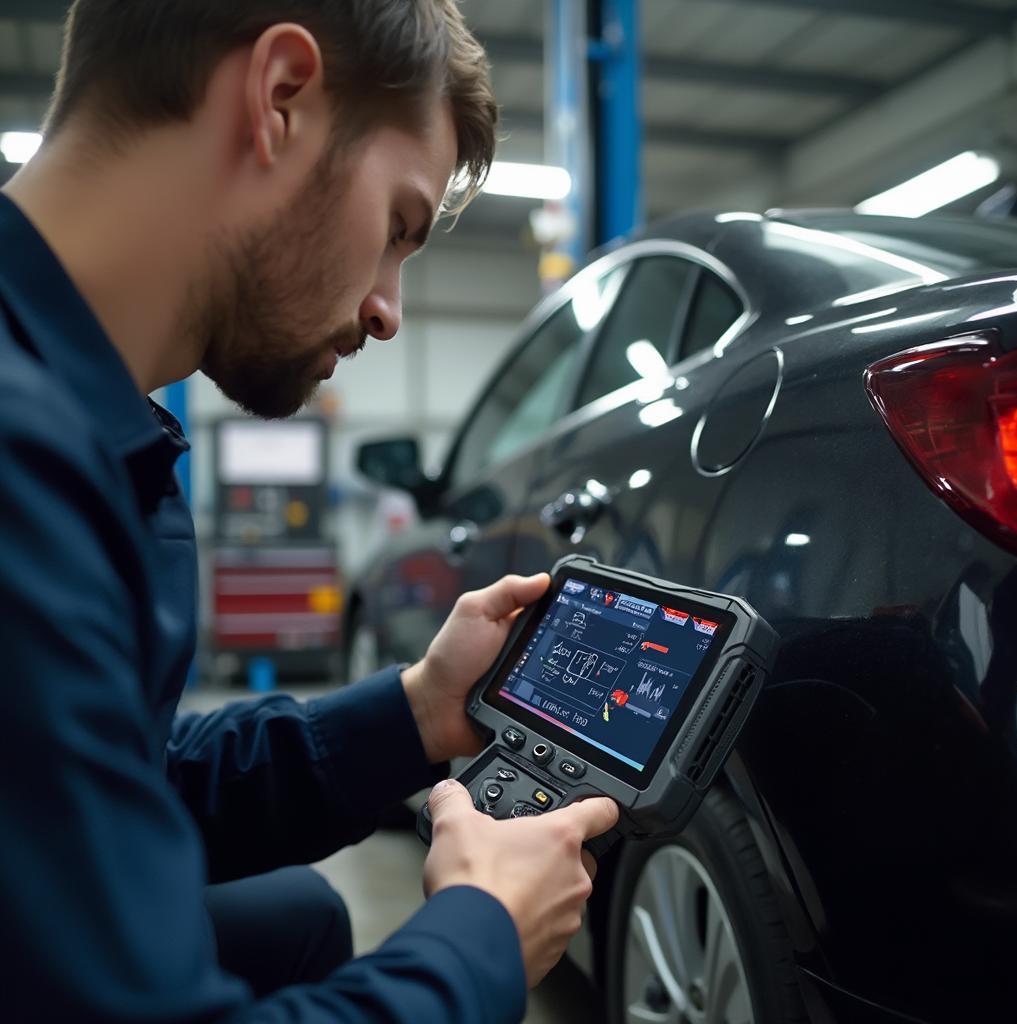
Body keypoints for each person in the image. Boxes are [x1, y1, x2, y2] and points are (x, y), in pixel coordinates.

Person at [0, 2, 618, 1022]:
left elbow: (119, 783)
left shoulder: (78, 418)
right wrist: (481, 937)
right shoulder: (25, 462)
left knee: (294, 918)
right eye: (397, 227)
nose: (388, 308)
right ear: (280, 98)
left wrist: (417, 710)